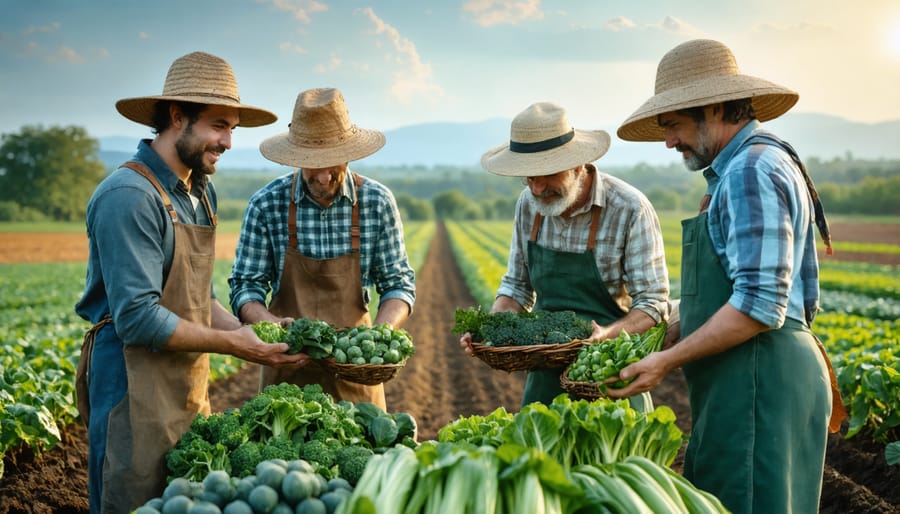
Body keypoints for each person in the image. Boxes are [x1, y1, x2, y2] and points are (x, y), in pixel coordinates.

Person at [611, 39, 847, 513]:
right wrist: (652, 335)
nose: (669, 141)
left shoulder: (750, 171)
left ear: (715, 108)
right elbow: (724, 295)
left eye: (674, 125)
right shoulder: (746, 167)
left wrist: (667, 360)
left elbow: (759, 306)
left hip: (759, 383)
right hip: (744, 384)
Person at [73, 51, 308, 513]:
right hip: (131, 386)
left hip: (186, 384)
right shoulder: (129, 196)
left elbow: (199, 299)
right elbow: (139, 319)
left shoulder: (199, 190)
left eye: (233, 129)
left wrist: (260, 333)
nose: (227, 141)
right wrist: (237, 346)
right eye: (218, 126)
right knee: (134, 498)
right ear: (177, 116)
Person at [458, 101, 670, 410]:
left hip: (609, 373)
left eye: (546, 174)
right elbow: (517, 287)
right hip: (546, 381)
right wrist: (490, 329)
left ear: (577, 164)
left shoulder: (629, 208)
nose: (537, 187)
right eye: (528, 178)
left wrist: (606, 335)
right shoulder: (528, 203)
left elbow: (654, 304)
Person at [229, 87, 415, 410]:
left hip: (357, 381)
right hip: (286, 385)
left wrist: (376, 339)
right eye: (313, 164)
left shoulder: (376, 203)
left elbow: (398, 284)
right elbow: (245, 287)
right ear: (296, 156)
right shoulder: (266, 205)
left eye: (333, 162)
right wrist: (273, 327)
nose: (324, 175)